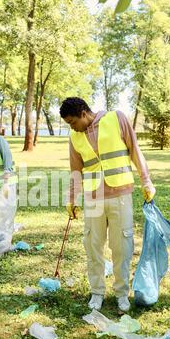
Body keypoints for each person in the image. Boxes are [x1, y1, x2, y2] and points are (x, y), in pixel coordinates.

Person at [59, 97, 155, 313]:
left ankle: (122, 294)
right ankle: (97, 292)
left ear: (84, 113)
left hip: (120, 194)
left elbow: (134, 150)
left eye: (73, 121)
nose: (72, 127)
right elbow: (75, 170)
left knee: (122, 247)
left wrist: (146, 180)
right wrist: (72, 199)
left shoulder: (116, 118)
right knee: (92, 246)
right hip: (93, 198)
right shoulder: (74, 137)